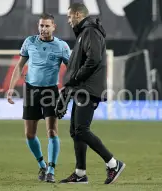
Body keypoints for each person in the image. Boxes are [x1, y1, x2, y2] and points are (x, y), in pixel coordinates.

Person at [55, 3, 125, 184]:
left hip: (88, 88)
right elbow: (83, 62)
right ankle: (80, 173)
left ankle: (113, 163)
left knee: (81, 129)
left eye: (70, 17)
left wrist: (75, 79)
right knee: (76, 131)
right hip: (82, 88)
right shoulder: (85, 33)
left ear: (78, 14)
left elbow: (93, 59)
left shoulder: (90, 32)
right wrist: (69, 88)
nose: (69, 20)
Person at [7, 13, 71, 183]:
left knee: (52, 131)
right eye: (41, 26)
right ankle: (42, 165)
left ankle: (51, 170)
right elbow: (20, 65)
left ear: (54, 27)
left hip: (50, 91)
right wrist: (11, 87)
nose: (43, 29)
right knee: (29, 134)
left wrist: (70, 88)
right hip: (31, 90)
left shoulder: (62, 46)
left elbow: (71, 69)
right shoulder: (29, 42)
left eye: (47, 26)